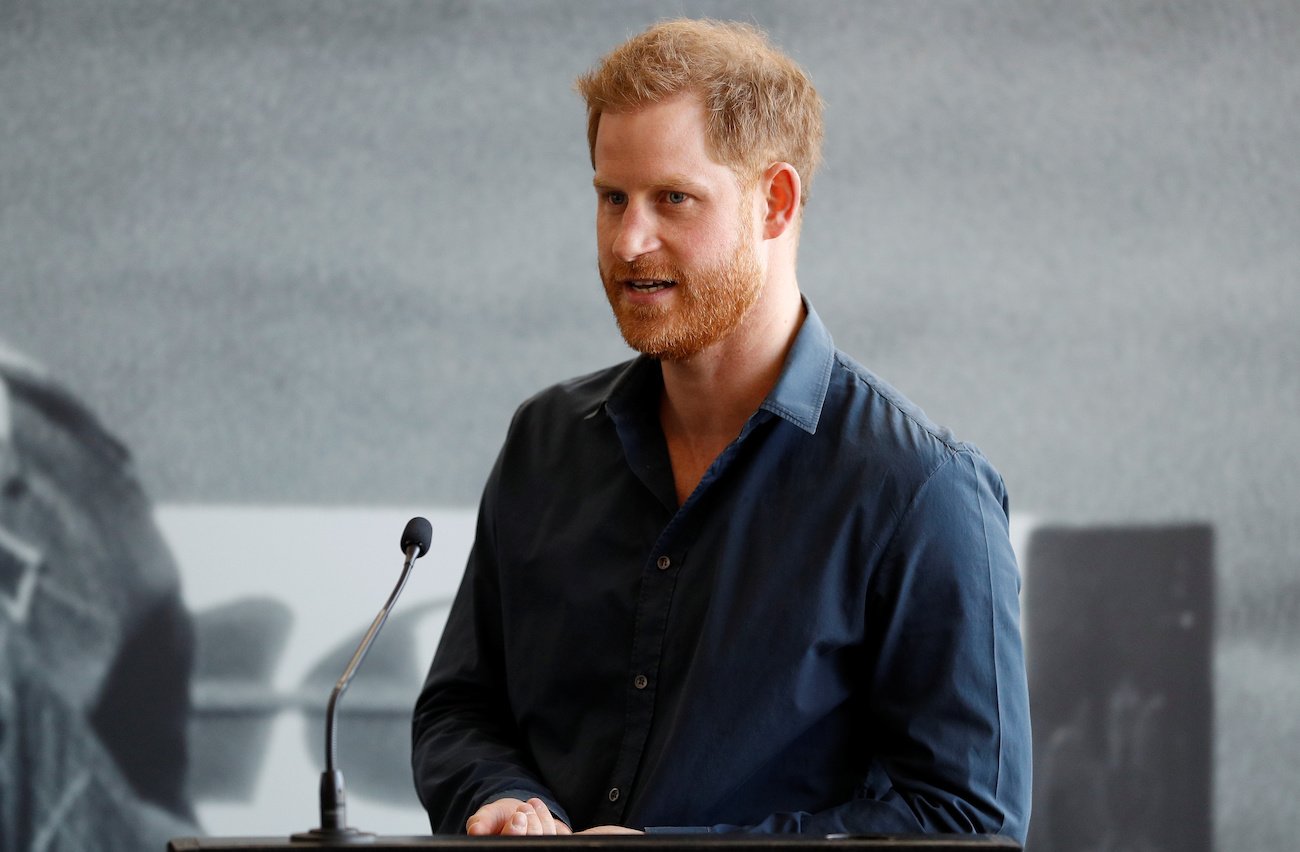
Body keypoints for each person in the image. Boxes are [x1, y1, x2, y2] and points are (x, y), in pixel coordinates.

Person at [412, 18, 1031, 842]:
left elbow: (965, 825)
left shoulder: (921, 492)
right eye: (611, 197)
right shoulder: (544, 442)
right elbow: (462, 706)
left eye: (673, 198)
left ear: (774, 203)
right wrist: (496, 799)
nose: (629, 241)